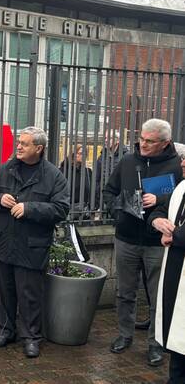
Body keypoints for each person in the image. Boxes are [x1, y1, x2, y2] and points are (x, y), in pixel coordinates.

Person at [0, 126, 70, 358]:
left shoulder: (54, 176)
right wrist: (0, 198)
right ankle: (6, 330)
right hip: (3, 243)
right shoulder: (5, 169)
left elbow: (61, 209)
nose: (18, 146)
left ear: (38, 148)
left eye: (24, 143)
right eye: (18, 142)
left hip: (32, 246)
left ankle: (31, 337)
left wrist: (30, 208)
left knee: (30, 295)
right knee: (5, 291)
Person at [103, 118, 183, 367]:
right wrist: (121, 211)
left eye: (150, 141)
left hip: (159, 242)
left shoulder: (177, 165)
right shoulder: (127, 160)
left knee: (157, 295)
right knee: (125, 292)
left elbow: (181, 198)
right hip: (126, 237)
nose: (143, 144)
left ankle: (156, 344)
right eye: (141, 139)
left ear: (165, 143)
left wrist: (158, 197)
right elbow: (108, 192)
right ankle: (125, 335)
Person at [148, 147, 185, 384]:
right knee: (177, 334)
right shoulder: (181, 187)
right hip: (175, 266)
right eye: (183, 159)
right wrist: (157, 221)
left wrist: (175, 237)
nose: (182, 163)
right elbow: (162, 210)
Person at [60, 144, 92, 218]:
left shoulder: (88, 172)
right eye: (80, 153)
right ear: (73, 154)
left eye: (85, 154)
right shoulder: (63, 171)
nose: (83, 156)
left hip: (84, 212)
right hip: (68, 211)